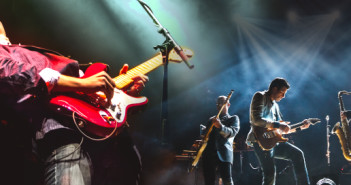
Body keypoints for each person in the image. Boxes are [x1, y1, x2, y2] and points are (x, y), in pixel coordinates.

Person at [0, 21, 148, 185]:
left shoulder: (19, 50)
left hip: (107, 141)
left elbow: (81, 91)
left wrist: (118, 95)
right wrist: (84, 84)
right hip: (64, 131)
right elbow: (15, 75)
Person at [246, 77, 311, 185]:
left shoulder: (276, 106)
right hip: (260, 141)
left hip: (273, 142)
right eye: (282, 92)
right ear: (274, 89)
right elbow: (256, 120)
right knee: (270, 173)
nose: (283, 96)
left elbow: (281, 130)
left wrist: (300, 127)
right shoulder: (260, 96)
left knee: (297, 154)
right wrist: (278, 124)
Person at [201, 95, 240, 185]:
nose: (219, 105)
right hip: (209, 155)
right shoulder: (211, 120)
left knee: (227, 181)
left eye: (222, 103)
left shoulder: (233, 118)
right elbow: (205, 136)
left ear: (228, 104)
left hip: (224, 154)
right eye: (218, 103)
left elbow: (232, 132)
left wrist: (220, 126)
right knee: (209, 181)